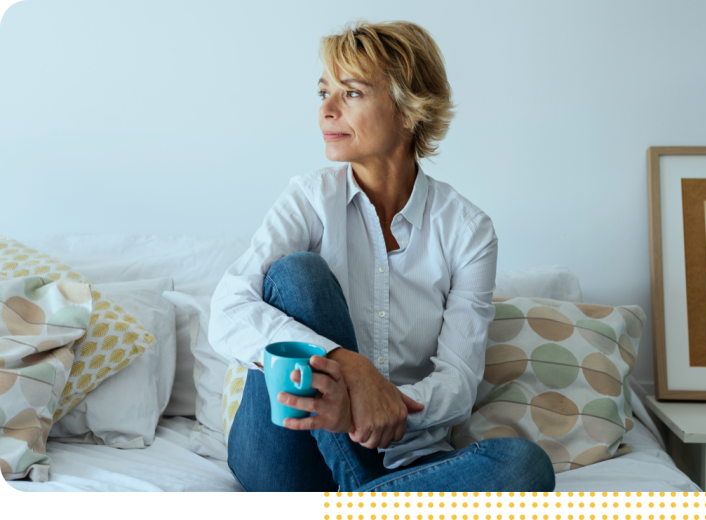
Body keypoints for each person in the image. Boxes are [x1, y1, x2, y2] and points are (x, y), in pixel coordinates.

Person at [208, 19, 555, 492]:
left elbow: (457, 383)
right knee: (297, 275)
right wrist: (350, 367)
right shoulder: (308, 199)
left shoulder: (469, 232)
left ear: (409, 110)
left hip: (406, 458)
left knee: (524, 467)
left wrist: (376, 406)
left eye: (350, 93)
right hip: (289, 451)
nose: (326, 111)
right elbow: (227, 312)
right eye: (323, 92)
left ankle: (363, 491)